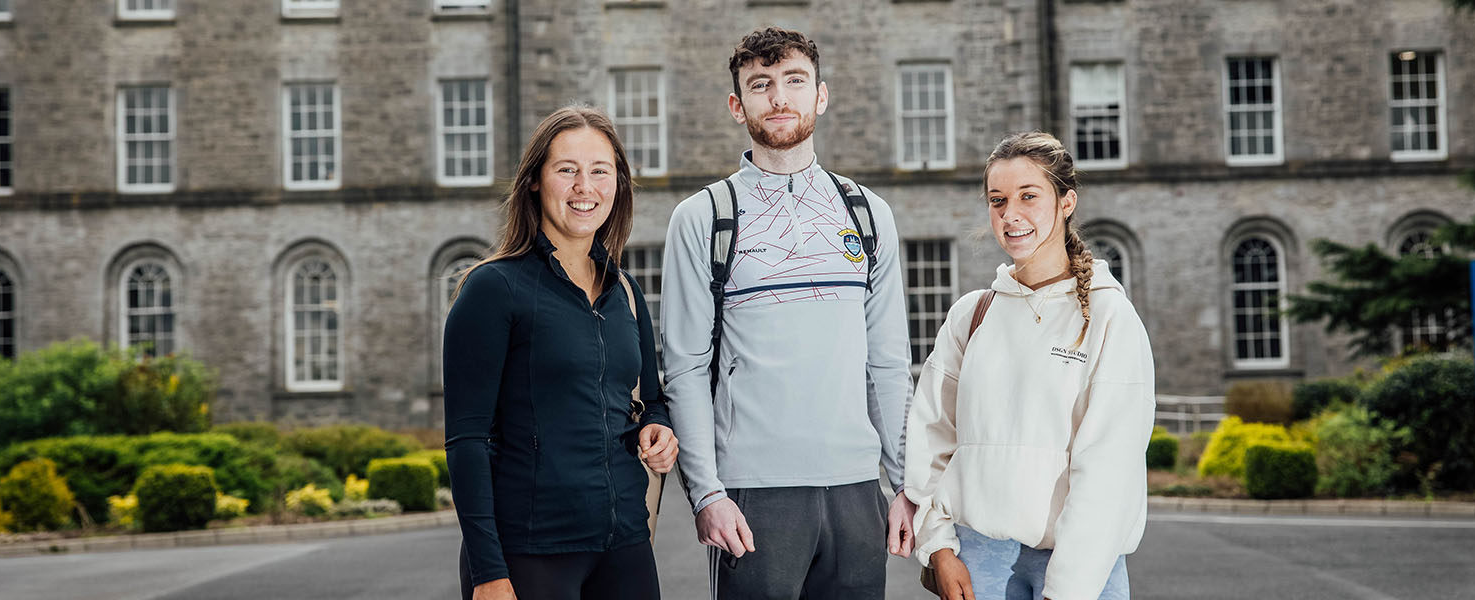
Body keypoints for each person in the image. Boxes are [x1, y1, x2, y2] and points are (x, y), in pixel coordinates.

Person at [659, 27, 916, 599]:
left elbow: (890, 364)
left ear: (820, 95)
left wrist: (904, 483)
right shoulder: (702, 217)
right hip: (753, 496)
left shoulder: (869, 214)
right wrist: (707, 493)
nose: (779, 97)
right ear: (737, 105)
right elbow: (684, 368)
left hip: (856, 492)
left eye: (794, 81)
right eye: (761, 85)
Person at [903, 131, 1154, 600]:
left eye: (1028, 196)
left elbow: (1109, 470)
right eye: (997, 200)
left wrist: (1068, 589)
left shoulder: (1108, 317)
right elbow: (931, 437)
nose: (1010, 214)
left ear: (1066, 201)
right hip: (976, 562)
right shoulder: (972, 314)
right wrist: (938, 547)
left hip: (1081, 565)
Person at [445, 105, 678, 600]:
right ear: (534, 180)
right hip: (530, 553)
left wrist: (659, 429)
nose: (584, 187)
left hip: (625, 547)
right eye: (566, 170)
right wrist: (488, 572)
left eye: (599, 171)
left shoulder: (626, 292)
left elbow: (651, 400)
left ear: (618, 184)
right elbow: (467, 440)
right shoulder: (493, 288)